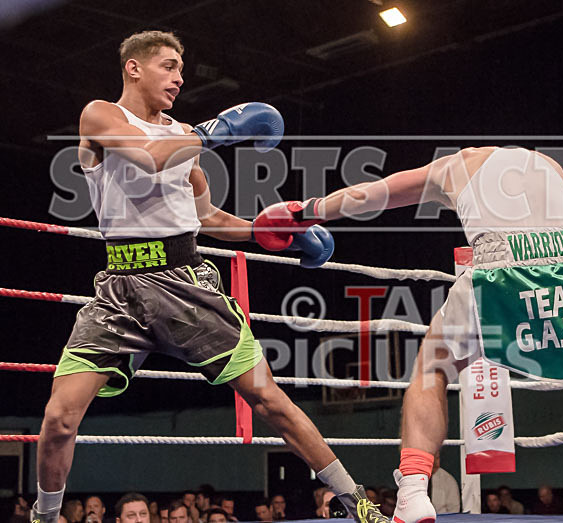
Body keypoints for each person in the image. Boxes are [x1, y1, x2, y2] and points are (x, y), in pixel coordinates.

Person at [28, 30, 385, 523]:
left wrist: (272, 230)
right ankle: (45, 516)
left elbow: (210, 218)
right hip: (120, 289)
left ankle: (356, 501)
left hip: (186, 283)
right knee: (59, 418)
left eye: (180, 69)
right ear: (134, 67)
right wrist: (220, 128)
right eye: (169, 66)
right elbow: (149, 158)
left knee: (269, 399)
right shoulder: (102, 115)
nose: (178, 78)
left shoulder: (185, 139)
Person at [255, 146, 563, 523]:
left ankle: (412, 492)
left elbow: (369, 196)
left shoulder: (455, 166)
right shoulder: (548, 164)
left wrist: (301, 212)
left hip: (507, 266)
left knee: (433, 367)